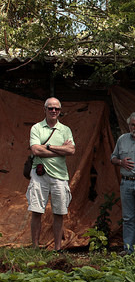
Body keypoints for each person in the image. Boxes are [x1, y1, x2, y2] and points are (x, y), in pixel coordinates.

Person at [26, 97, 75, 251]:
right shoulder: (36, 128)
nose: (54, 111)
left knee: (59, 212)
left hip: (60, 175)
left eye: (57, 109)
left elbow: (72, 150)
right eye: (50, 108)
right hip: (39, 174)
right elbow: (35, 150)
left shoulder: (65, 130)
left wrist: (47, 146)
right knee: (36, 210)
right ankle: (35, 248)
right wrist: (60, 150)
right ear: (45, 109)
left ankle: (58, 249)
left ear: (60, 111)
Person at [110, 112, 135, 254]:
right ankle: (129, 249)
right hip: (126, 182)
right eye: (133, 125)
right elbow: (112, 158)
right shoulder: (122, 139)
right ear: (128, 125)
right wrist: (120, 162)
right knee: (128, 218)